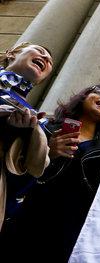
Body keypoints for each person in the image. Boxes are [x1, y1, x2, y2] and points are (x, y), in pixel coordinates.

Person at [7, 85, 100, 263]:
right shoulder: (43, 129)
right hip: (27, 226)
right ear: (82, 97)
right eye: (99, 93)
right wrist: (48, 154)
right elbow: (14, 179)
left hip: (70, 237)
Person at [0, 42, 53, 229]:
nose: (46, 58)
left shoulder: (35, 120)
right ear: (11, 53)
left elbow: (18, 186)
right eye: (40, 51)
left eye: (50, 62)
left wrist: (16, 132)